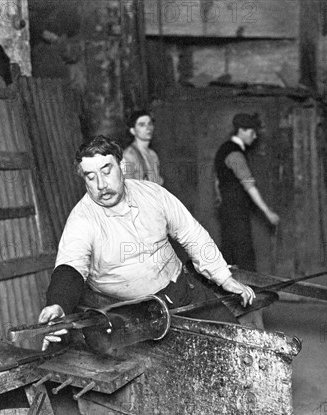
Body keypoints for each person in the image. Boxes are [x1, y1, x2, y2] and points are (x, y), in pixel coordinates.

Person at [38, 135, 256, 350]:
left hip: (182, 289)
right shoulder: (82, 220)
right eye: (90, 177)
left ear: (122, 167)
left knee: (236, 344)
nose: (101, 184)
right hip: (131, 315)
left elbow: (191, 233)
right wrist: (58, 303)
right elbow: (70, 268)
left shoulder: (152, 194)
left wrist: (223, 277)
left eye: (106, 170)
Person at [214, 113, 280, 271]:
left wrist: (221, 201)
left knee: (229, 253)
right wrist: (267, 212)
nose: (255, 136)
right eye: (252, 132)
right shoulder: (234, 153)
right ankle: (251, 291)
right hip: (236, 210)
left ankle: (231, 291)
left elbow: (217, 181)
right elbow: (249, 185)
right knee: (244, 254)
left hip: (228, 209)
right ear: (241, 130)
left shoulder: (224, 149)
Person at [122, 109, 164, 185]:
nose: (148, 128)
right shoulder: (127, 156)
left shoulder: (153, 154)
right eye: (142, 125)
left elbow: (157, 182)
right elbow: (127, 187)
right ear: (133, 131)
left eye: (150, 124)